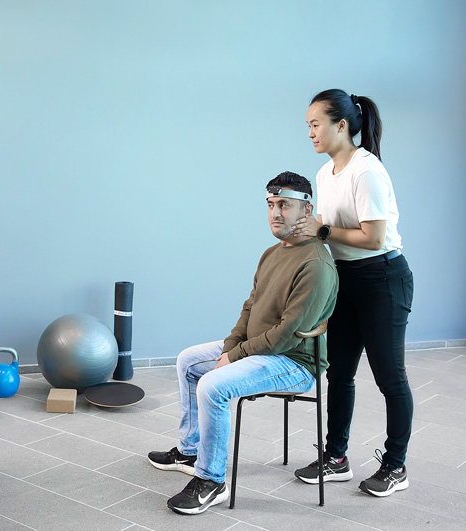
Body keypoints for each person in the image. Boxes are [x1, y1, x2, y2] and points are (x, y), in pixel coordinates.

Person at [147, 172, 338, 515]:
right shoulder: (271, 253)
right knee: (188, 361)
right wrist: (230, 346)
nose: (276, 213)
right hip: (258, 349)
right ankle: (191, 451)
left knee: (212, 386)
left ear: (307, 211)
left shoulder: (317, 265)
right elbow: (250, 306)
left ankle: (211, 481)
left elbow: (284, 335)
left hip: (293, 364)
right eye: (270, 205)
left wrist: (236, 355)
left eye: (285, 205)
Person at [291, 89, 414, 497]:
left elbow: (374, 236)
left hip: (383, 279)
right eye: (307, 125)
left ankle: (396, 466)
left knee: (390, 379)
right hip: (347, 279)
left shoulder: (367, 170)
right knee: (339, 373)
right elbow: (325, 224)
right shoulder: (326, 173)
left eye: (315, 124)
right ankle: (336, 457)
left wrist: (321, 230)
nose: (309, 132)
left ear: (340, 125)